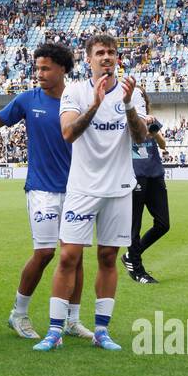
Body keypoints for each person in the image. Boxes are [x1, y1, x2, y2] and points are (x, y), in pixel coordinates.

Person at [0, 43, 88, 339]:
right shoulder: (28, 99)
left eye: (45, 68)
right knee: (44, 253)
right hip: (41, 189)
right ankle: (19, 313)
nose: (39, 73)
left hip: (78, 190)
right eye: (37, 68)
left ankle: (72, 321)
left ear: (63, 69)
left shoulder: (78, 99)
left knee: (75, 256)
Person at [32, 34, 147, 352]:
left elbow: (139, 138)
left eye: (111, 52)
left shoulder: (130, 93)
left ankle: (102, 331)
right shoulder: (76, 91)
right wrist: (96, 105)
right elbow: (68, 133)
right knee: (69, 256)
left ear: (117, 58)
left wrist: (127, 107)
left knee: (108, 257)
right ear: (89, 59)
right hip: (82, 188)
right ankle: (55, 330)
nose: (107, 57)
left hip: (119, 188)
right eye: (100, 53)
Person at [123, 87, 170, 284]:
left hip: (155, 173)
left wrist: (153, 130)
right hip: (136, 174)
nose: (139, 98)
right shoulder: (126, 118)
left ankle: (131, 255)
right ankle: (138, 269)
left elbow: (163, 144)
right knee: (135, 224)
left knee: (163, 224)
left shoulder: (152, 119)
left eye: (141, 96)